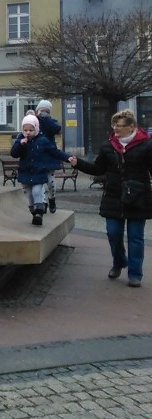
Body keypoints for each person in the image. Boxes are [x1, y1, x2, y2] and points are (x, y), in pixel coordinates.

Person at [71, 109, 150, 288]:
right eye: (114, 125)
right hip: (113, 196)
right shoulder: (108, 146)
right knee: (113, 233)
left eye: (119, 126)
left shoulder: (146, 145)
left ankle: (135, 274)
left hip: (138, 196)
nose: (115, 129)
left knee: (135, 237)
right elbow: (99, 169)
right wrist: (79, 163)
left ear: (132, 127)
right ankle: (119, 261)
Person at [10, 111, 73, 227]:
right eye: (25, 130)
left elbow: (55, 152)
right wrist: (20, 144)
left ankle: (39, 214)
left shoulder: (42, 140)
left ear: (36, 129)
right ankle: (34, 213)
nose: (28, 133)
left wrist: (68, 158)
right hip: (25, 173)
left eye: (31, 130)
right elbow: (13, 153)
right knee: (29, 195)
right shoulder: (20, 140)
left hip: (39, 173)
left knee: (37, 191)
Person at [36, 100, 63, 214]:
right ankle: (42, 203)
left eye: (46, 110)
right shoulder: (35, 120)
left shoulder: (51, 121)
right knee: (40, 181)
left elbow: (56, 128)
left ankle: (52, 199)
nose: (43, 112)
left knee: (50, 180)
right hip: (37, 153)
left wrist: (46, 118)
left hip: (49, 153)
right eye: (41, 110)